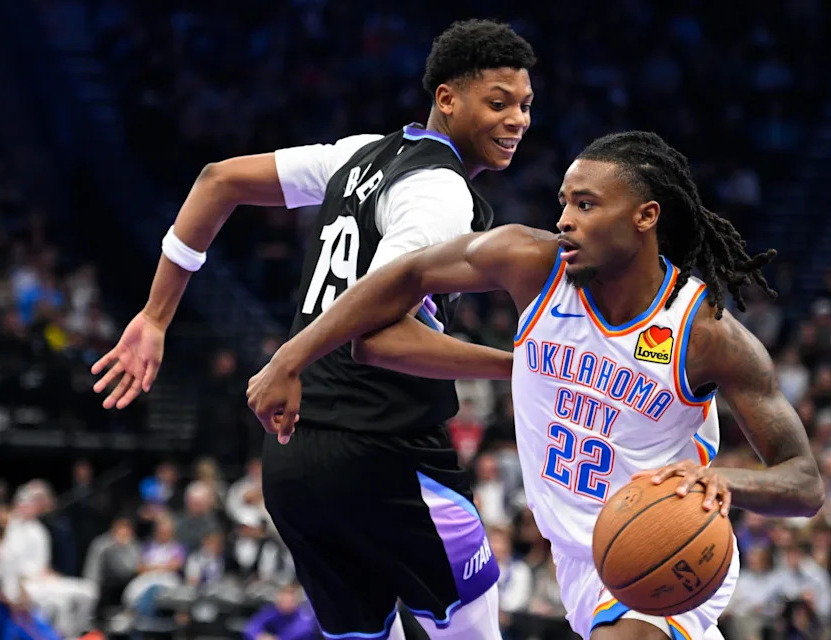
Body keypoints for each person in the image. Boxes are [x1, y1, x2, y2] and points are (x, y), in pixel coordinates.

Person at [246, 131, 826, 640]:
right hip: (576, 555)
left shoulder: (705, 334)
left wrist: (716, 478)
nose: (565, 219)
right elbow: (403, 278)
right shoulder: (531, 262)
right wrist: (290, 359)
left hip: (664, 539)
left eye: (587, 204)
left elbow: (803, 482)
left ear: (644, 217)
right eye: (564, 203)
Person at [92, 18, 535, 639]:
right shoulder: (439, 192)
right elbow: (377, 338)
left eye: (524, 105)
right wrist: (521, 366)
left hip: (293, 461)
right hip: (385, 449)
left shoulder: (357, 154)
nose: (518, 119)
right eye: (498, 103)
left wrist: (156, 314)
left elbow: (218, 180)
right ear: (446, 98)